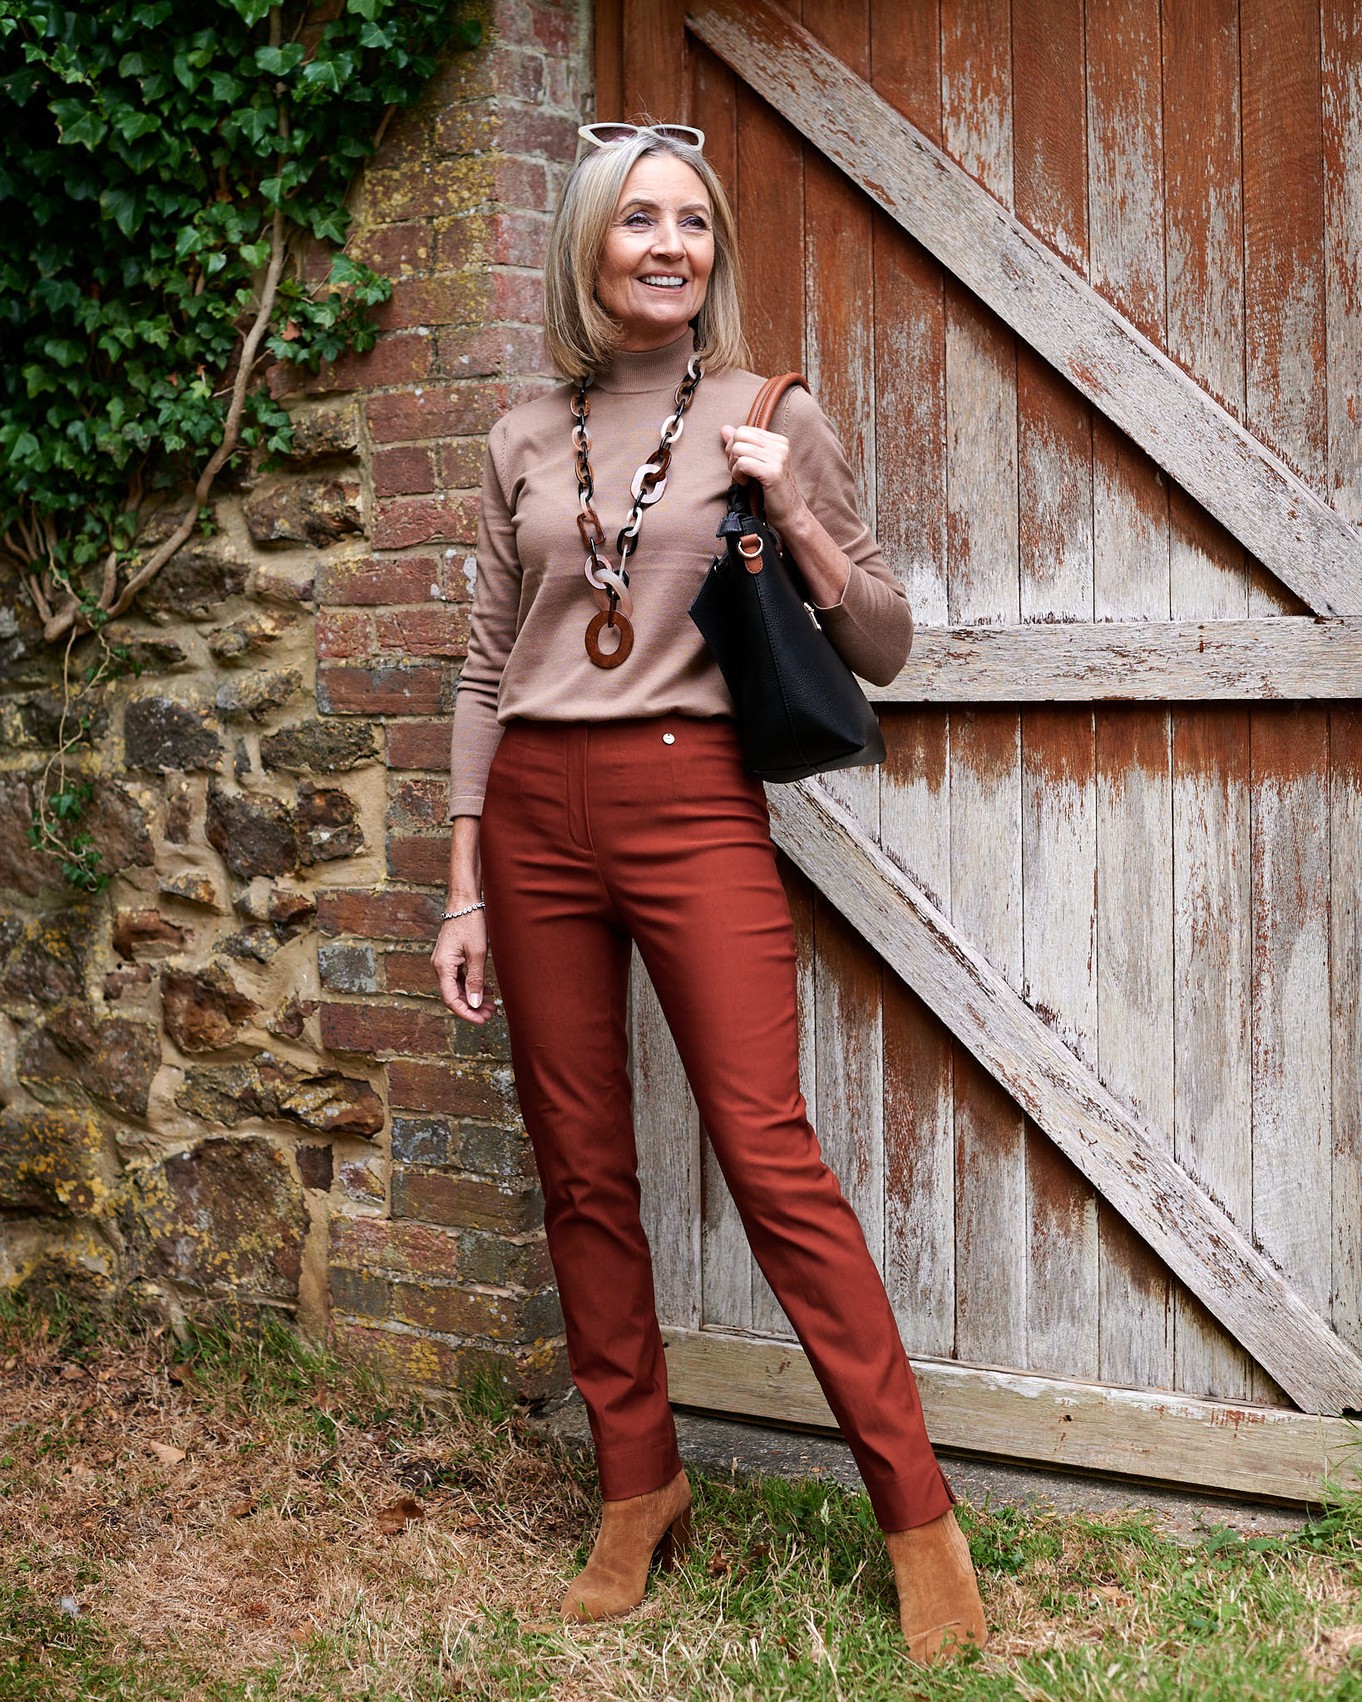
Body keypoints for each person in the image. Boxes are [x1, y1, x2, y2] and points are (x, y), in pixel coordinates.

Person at [432, 120, 987, 1665]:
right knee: (581, 1164)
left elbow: (880, 641)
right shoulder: (522, 434)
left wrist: (789, 507)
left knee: (770, 1157)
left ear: (709, 251)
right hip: (535, 806)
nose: (667, 244)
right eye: (637, 222)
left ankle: (917, 1515)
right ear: (590, 248)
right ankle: (639, 1485)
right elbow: (487, 662)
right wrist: (462, 878)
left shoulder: (767, 407)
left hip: (690, 798)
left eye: (691, 222)